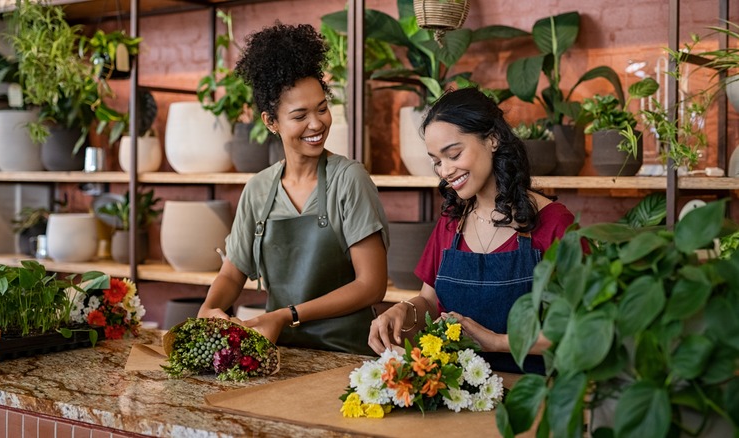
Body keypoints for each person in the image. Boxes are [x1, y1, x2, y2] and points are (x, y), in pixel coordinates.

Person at [198, 23, 389, 356]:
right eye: (300, 115)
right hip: (282, 354)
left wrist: (286, 316)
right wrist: (208, 310)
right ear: (271, 122)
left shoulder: (349, 179)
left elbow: (371, 286)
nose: (316, 124)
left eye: (322, 109)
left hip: (346, 355)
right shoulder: (258, 189)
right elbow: (232, 274)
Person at [368, 87, 576, 373]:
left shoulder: (554, 224)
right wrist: (404, 310)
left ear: (492, 139)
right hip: (455, 390)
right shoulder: (453, 222)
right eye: (437, 161)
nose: (445, 171)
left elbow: (580, 329)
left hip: (530, 393)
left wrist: (497, 342)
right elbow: (429, 300)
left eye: (454, 154)